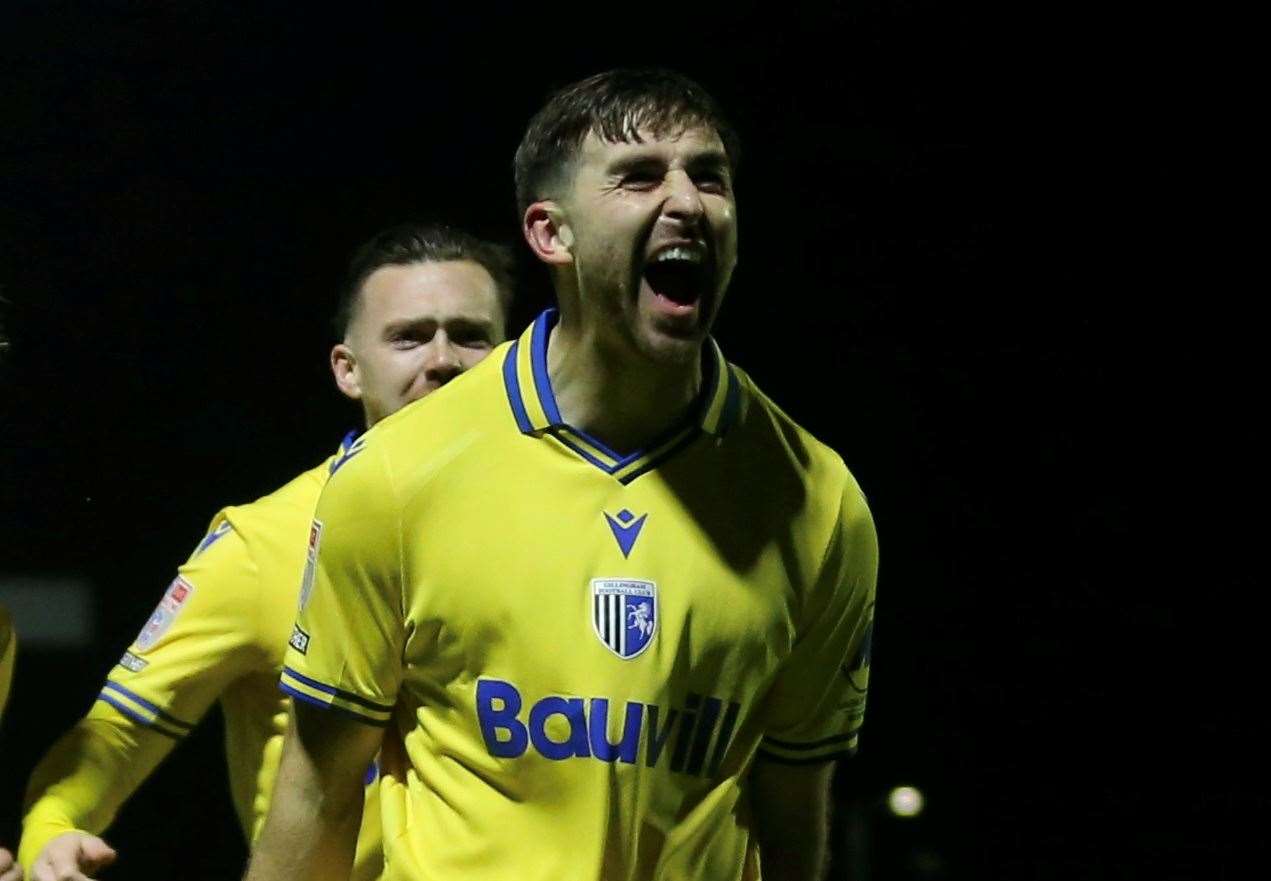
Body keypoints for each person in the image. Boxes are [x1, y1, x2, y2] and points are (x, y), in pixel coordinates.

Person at [247, 69, 877, 881]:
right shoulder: (397, 476)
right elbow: (317, 794)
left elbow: (793, 796)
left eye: (709, 176)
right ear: (551, 234)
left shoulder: (817, 500)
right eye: (640, 175)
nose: (687, 201)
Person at [19, 223, 515, 881]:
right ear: (347, 367)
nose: (443, 359)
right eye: (409, 336)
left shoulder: (581, 524)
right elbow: (115, 735)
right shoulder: (263, 541)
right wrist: (48, 831)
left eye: (471, 335)